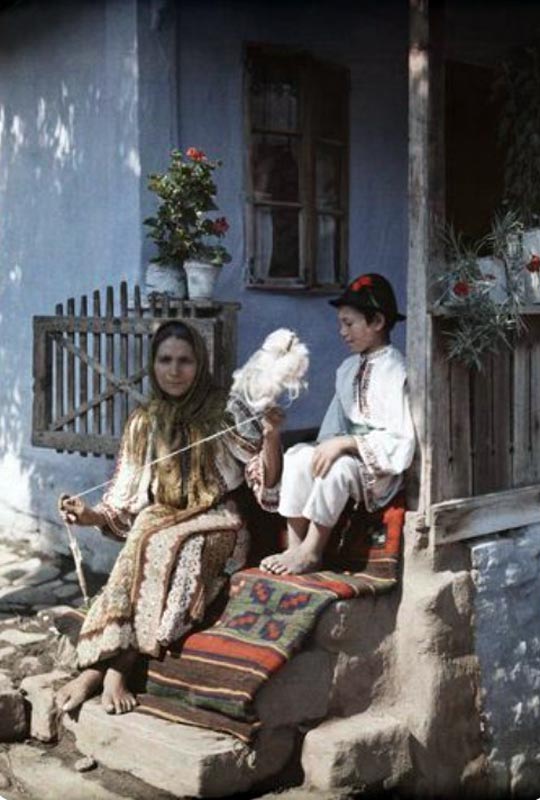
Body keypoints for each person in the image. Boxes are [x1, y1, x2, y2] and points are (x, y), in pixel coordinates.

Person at [57, 319, 283, 715]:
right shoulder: (145, 420)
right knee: (141, 538)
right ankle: (102, 666)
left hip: (219, 519)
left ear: (201, 364)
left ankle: (114, 670)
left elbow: (265, 478)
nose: (174, 371)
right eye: (165, 360)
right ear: (153, 364)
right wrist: (90, 515)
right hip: (163, 515)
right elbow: (126, 495)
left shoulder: (225, 410)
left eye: (185, 361)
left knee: (167, 545)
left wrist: (273, 434)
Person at [260, 273, 415, 576]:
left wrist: (346, 444)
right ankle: (294, 543)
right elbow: (332, 429)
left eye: (349, 323)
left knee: (338, 468)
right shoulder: (346, 369)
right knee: (299, 456)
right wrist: (327, 445)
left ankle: (313, 550)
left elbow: (401, 438)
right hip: (350, 454)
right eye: (341, 323)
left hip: (380, 467)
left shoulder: (396, 369)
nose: (342, 332)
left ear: (378, 322)